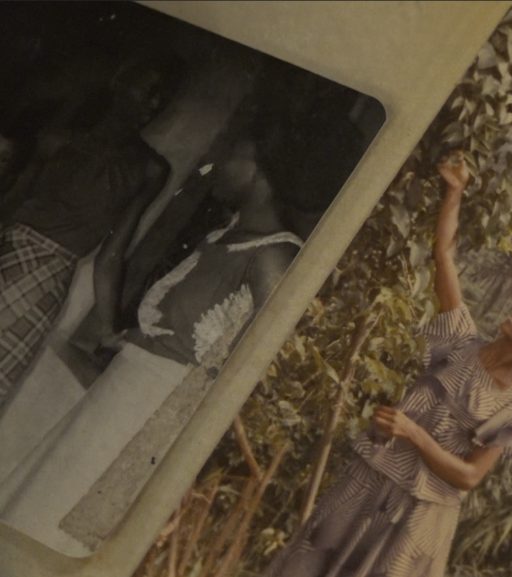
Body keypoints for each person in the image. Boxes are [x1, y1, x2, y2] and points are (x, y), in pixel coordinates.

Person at [262, 152, 512, 577]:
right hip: (366, 483)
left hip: (417, 515)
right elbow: (444, 256)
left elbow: (470, 477)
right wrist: (454, 191)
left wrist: (414, 433)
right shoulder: (458, 340)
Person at [0, 138, 304, 555]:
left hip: (150, 414)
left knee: (66, 524)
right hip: (118, 395)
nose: (217, 161)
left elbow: (262, 368)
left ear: (258, 171)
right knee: (38, 503)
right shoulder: (224, 235)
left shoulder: (275, 256)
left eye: (232, 154)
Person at [0, 54, 183, 409]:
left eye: (165, 96)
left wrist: (106, 325)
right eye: (149, 89)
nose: (155, 102)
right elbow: (9, 208)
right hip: (7, 253)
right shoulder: (56, 140)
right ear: (120, 83)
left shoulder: (149, 170)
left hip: (46, 285)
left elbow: (112, 255)